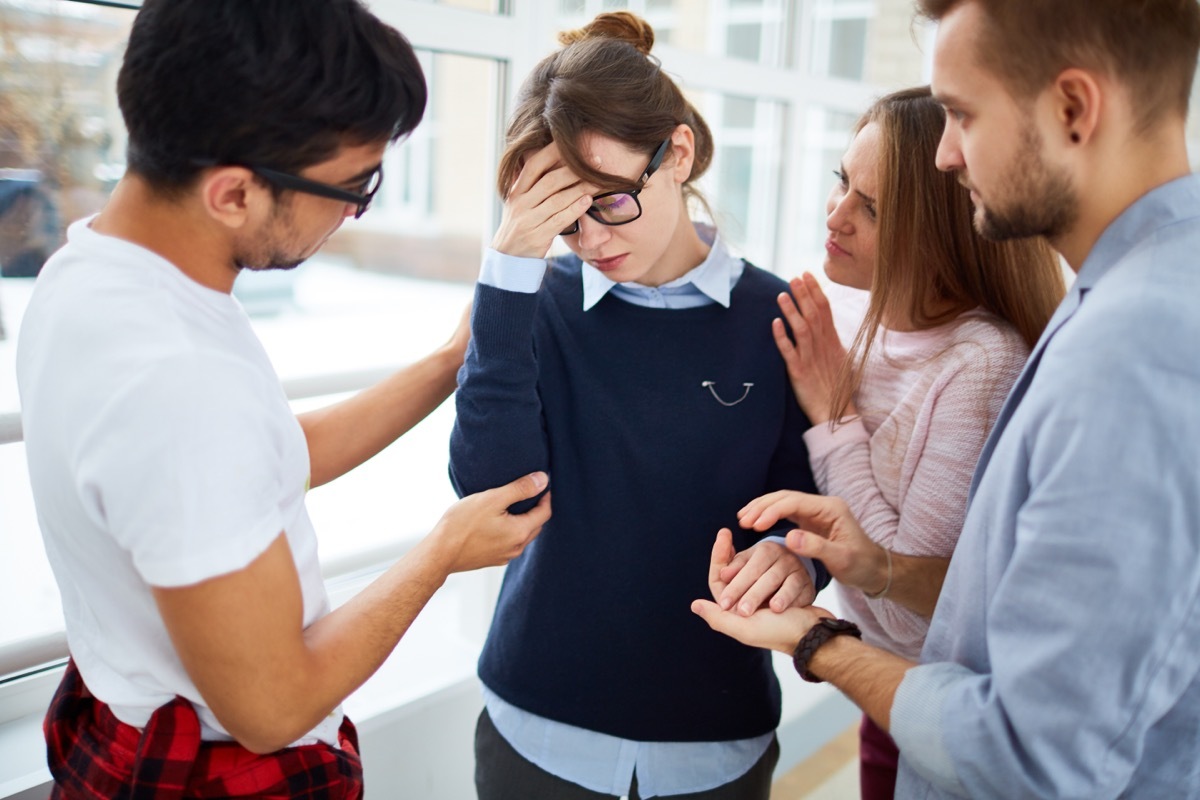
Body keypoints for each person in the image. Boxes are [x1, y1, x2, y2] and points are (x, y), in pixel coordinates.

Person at [16, 1, 549, 797]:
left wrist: (450, 361)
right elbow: (272, 707)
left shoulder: (92, 273)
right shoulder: (178, 381)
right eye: (354, 185)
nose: (356, 210)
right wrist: (442, 551)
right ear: (234, 194)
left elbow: (264, 457)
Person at [692, 0, 1200, 797]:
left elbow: (1025, 753)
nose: (946, 156)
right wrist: (872, 566)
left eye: (962, 114)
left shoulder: (1132, 354)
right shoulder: (1131, 298)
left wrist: (818, 642)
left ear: (1074, 108)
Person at [448, 12, 824, 800]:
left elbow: (810, 506)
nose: (591, 239)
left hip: (714, 739)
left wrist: (796, 560)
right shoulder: (532, 304)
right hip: (536, 729)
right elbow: (492, 493)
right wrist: (509, 269)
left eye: (611, 202)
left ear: (677, 154)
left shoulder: (777, 316)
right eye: (563, 220)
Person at [716, 85, 1062, 799]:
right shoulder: (845, 314)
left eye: (872, 209)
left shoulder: (980, 365)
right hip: (878, 685)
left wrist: (834, 415)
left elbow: (909, 601)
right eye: (841, 180)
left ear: (939, 233)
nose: (835, 215)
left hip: (945, 702)